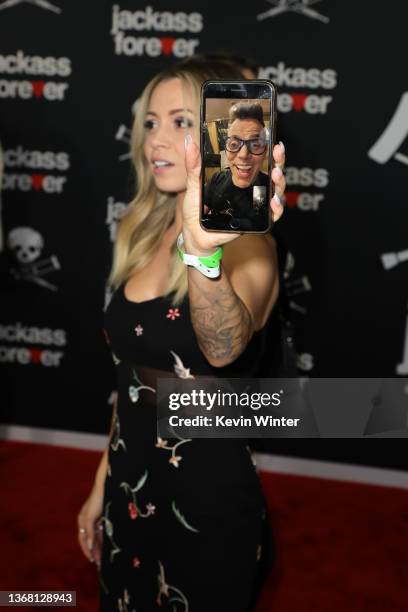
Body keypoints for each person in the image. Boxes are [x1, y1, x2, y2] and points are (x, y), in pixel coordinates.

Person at [77, 56, 285, 612]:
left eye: (181, 121)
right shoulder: (139, 228)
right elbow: (131, 379)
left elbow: (222, 346)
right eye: (150, 122)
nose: (156, 140)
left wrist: (202, 252)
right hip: (129, 478)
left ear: (219, 135)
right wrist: (102, 480)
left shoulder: (249, 243)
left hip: (204, 495)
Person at [204, 102, 270, 231]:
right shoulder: (217, 178)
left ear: (265, 151)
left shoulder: (262, 187)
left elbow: (256, 225)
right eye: (234, 144)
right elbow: (202, 210)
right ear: (226, 149)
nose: (243, 155)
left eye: (255, 145)